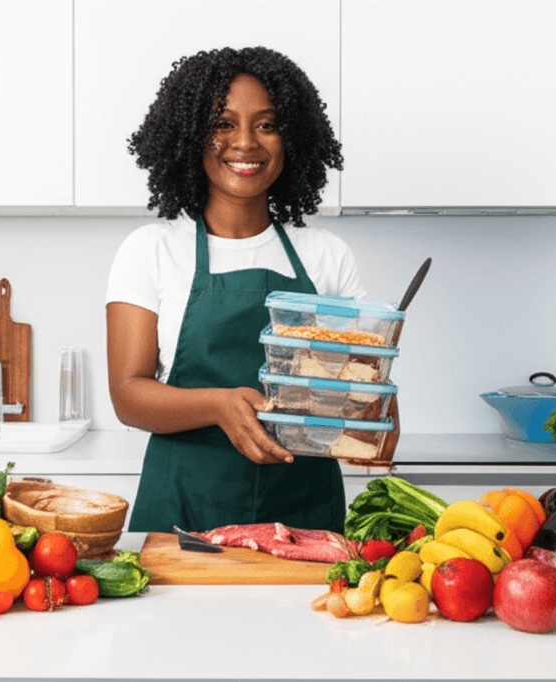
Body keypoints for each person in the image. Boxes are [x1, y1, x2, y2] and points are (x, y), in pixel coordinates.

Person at [105, 46, 391, 534]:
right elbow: (128, 395)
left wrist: (373, 423)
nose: (245, 143)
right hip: (184, 513)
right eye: (222, 124)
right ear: (192, 135)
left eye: (267, 124)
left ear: (292, 137)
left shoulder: (327, 256)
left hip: (305, 516)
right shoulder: (150, 250)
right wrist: (220, 405)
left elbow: (367, 404)